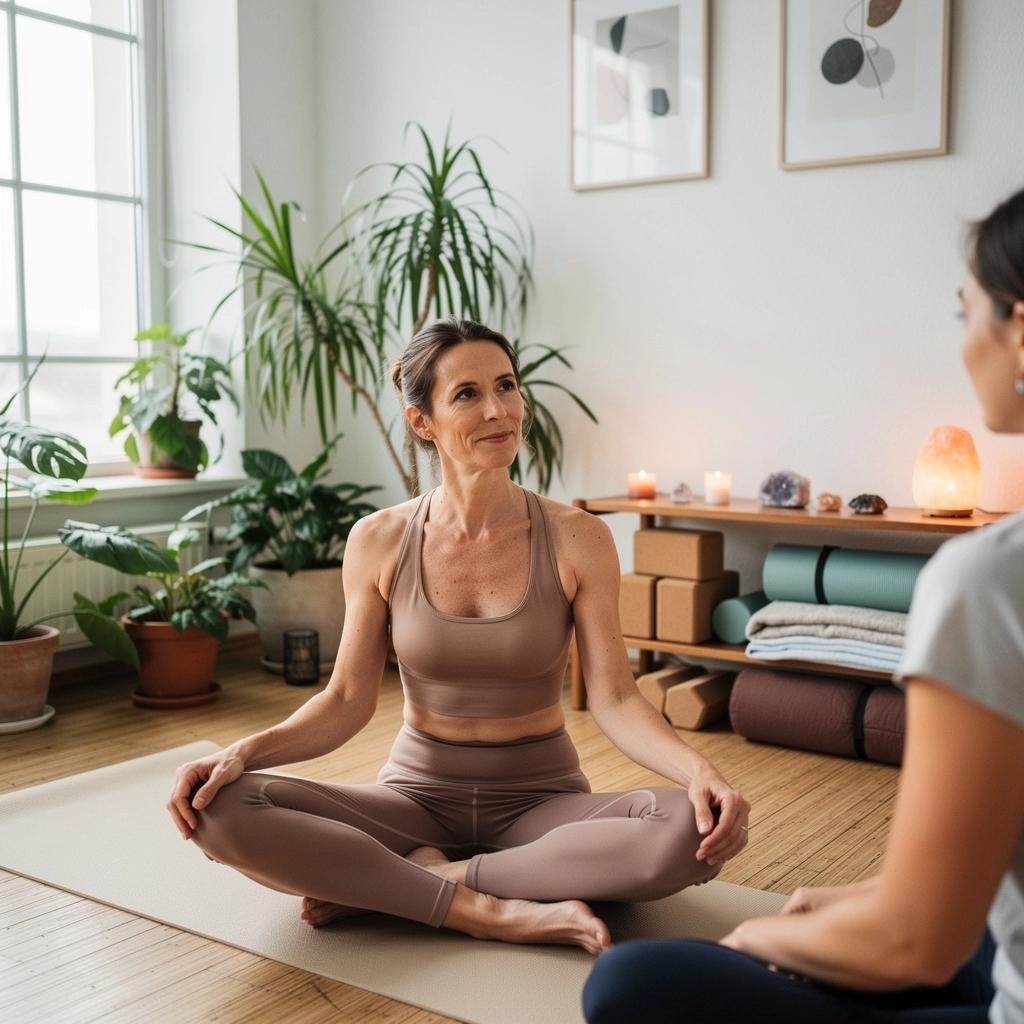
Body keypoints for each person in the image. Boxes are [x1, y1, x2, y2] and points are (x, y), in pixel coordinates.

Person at [167, 316, 750, 955]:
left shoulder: (578, 537)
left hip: (541, 805)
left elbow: (614, 697)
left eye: (507, 385)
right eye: (467, 394)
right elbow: (346, 700)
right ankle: (482, 909)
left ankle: (417, 883)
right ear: (423, 422)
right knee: (216, 806)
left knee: (689, 829)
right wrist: (243, 752)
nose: (498, 410)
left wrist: (700, 772)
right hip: (413, 800)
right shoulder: (379, 539)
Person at [583, 188, 1024, 1021]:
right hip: (984, 940)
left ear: (1020, 331)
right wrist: (870, 896)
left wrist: (755, 938)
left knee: (625, 984)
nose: (965, 339)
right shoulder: (387, 542)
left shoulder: (990, 580)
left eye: (965, 311)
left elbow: (917, 942)